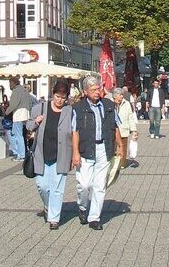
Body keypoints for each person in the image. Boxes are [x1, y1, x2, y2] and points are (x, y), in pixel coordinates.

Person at [69, 79, 121, 230]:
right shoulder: (78, 108)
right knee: (84, 185)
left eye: (98, 89)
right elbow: (75, 131)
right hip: (86, 149)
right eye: (93, 90)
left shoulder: (108, 105)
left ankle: (94, 218)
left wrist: (120, 146)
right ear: (85, 92)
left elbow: (116, 126)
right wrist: (75, 153)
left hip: (104, 148)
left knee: (99, 185)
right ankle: (83, 206)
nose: (97, 92)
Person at [28, 86, 74, 230]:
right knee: (42, 186)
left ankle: (54, 218)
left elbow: (74, 133)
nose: (60, 100)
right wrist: (36, 121)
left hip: (61, 154)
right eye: (57, 96)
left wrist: (74, 155)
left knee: (57, 188)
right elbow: (28, 126)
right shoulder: (40, 108)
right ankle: (48, 206)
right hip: (42, 154)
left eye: (63, 97)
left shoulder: (70, 111)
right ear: (52, 95)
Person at [7, 83, 34, 160]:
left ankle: (20, 155)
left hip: (18, 116)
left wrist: (7, 111)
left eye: (10, 83)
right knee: (21, 135)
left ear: (13, 82)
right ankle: (21, 153)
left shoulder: (16, 91)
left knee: (17, 135)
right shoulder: (25, 91)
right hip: (25, 116)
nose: (10, 85)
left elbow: (13, 104)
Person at [113, 90, 139, 168]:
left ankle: (122, 164)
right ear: (115, 96)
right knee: (113, 148)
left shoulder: (126, 104)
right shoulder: (110, 104)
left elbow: (130, 117)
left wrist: (134, 130)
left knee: (123, 148)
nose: (122, 96)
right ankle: (113, 164)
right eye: (120, 95)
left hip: (123, 129)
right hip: (112, 131)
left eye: (122, 95)